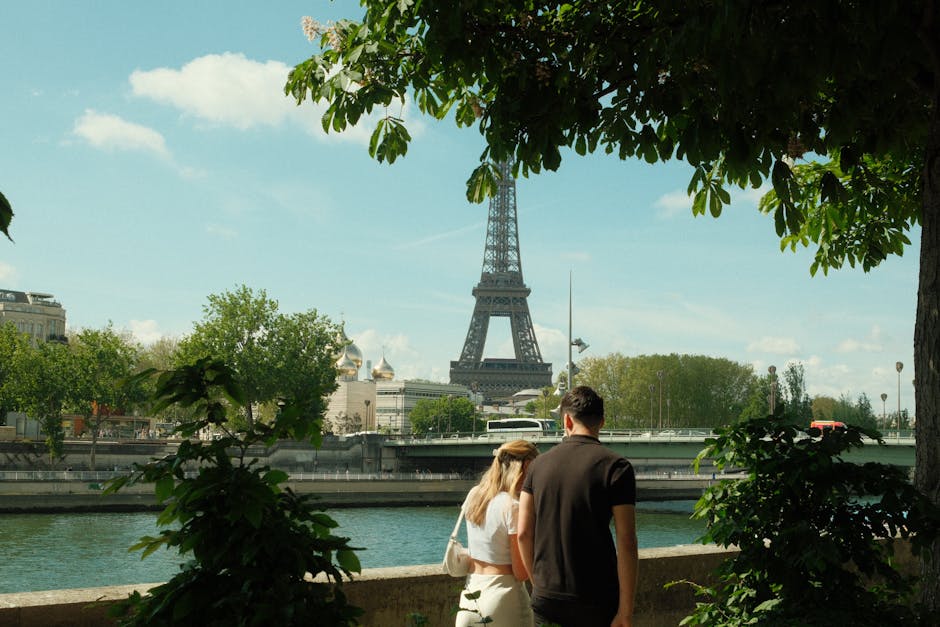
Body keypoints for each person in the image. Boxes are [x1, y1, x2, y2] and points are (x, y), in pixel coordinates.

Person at [519, 386, 638, 627]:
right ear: (602, 422)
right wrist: (625, 612)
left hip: (547, 597)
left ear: (566, 420)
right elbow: (626, 541)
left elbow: (523, 533)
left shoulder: (537, 465)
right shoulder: (617, 467)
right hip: (595, 598)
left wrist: (538, 583)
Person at [455, 439, 539, 627]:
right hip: (504, 597)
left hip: (470, 596)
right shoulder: (513, 507)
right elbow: (520, 573)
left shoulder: (474, 496)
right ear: (525, 466)